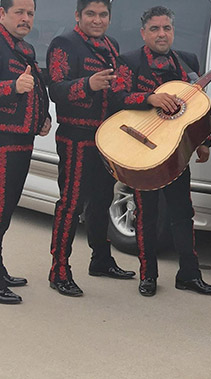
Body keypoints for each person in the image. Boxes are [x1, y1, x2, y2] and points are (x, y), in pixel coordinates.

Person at [110, 6, 211, 298]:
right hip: (141, 151)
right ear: (143, 33)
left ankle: (189, 274)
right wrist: (149, 98)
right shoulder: (128, 61)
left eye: (166, 28)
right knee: (146, 215)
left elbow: (194, 108)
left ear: (173, 31)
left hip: (176, 153)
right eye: (155, 29)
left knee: (183, 213)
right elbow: (116, 98)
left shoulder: (187, 62)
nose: (161, 34)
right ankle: (148, 275)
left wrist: (204, 142)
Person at [46, 0, 135, 297]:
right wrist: (88, 84)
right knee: (70, 204)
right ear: (78, 16)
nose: (97, 20)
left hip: (106, 138)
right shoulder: (64, 43)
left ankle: (101, 259)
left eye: (103, 15)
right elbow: (56, 89)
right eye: (91, 14)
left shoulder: (112, 45)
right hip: (75, 136)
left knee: (101, 201)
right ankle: (59, 269)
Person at [0, 0, 50, 304]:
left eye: (30, 13)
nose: (25, 18)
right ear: (1, 13)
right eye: (19, 12)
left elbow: (37, 87)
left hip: (23, 141)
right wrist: (12, 88)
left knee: (7, 211)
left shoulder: (25, 48)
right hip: (3, 141)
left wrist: (43, 116)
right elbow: (19, 86)